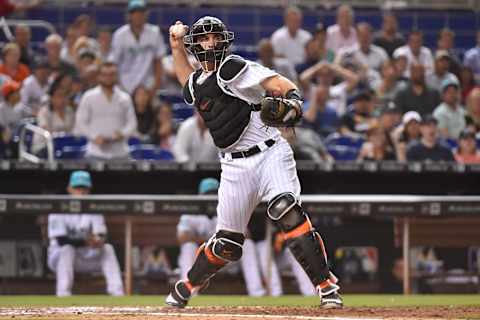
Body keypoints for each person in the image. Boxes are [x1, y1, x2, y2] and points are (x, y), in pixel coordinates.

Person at [166, 16, 342, 308]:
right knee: (227, 245)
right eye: (204, 39)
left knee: (286, 209)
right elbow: (187, 81)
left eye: (215, 37)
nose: (211, 43)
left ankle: (326, 287)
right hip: (234, 167)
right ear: (195, 44)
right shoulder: (198, 82)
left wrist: (295, 99)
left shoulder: (232, 67)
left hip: (270, 152)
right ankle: (187, 285)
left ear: (224, 40)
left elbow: (277, 83)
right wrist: (175, 47)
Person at [47, 170, 124, 296]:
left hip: (85, 257)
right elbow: (61, 240)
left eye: (84, 188)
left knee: (108, 249)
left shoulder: (93, 208)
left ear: (89, 190)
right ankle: (63, 294)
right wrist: (86, 241)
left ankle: (117, 293)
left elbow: (101, 234)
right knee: (67, 249)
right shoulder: (58, 207)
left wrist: (99, 240)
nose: (81, 191)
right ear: (69, 189)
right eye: (77, 188)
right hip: (59, 258)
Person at [73, 62, 137, 160]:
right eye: (104, 75)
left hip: (121, 152)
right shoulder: (88, 97)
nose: (108, 78)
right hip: (95, 152)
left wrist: (122, 133)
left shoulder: (125, 98)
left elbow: (132, 123)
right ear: (99, 76)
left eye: (111, 75)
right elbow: (80, 121)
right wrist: (94, 137)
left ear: (116, 76)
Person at [109, 0, 166, 94]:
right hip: (124, 84)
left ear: (146, 14)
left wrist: (154, 88)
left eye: (141, 13)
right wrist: (120, 88)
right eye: (135, 13)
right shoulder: (120, 35)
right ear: (129, 15)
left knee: (163, 108)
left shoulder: (155, 32)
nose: (138, 16)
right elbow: (114, 64)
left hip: (148, 84)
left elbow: (158, 62)